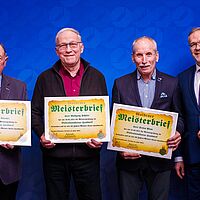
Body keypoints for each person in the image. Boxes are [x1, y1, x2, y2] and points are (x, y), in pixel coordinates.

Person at [31, 28, 107, 200]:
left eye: (73, 44)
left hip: (88, 155)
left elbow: (103, 113)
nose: (68, 49)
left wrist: (100, 137)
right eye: (63, 45)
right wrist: (41, 134)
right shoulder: (44, 78)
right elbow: (35, 112)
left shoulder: (97, 77)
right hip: (54, 157)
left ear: (82, 47)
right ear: (57, 51)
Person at [112, 36, 184, 200]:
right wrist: (121, 149)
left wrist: (178, 131)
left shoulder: (172, 83)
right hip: (128, 160)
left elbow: (179, 117)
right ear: (133, 58)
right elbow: (113, 122)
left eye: (149, 54)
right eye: (139, 55)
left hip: (160, 161)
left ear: (156, 56)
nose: (144, 60)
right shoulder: (120, 84)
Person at [175, 27, 200, 199]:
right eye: (193, 44)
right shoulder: (182, 78)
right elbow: (179, 117)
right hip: (193, 157)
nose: (197, 48)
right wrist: (178, 157)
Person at [0, 43, 27, 199]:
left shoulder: (19, 87)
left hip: (7, 170)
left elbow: (23, 125)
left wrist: (17, 138)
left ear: (5, 60)